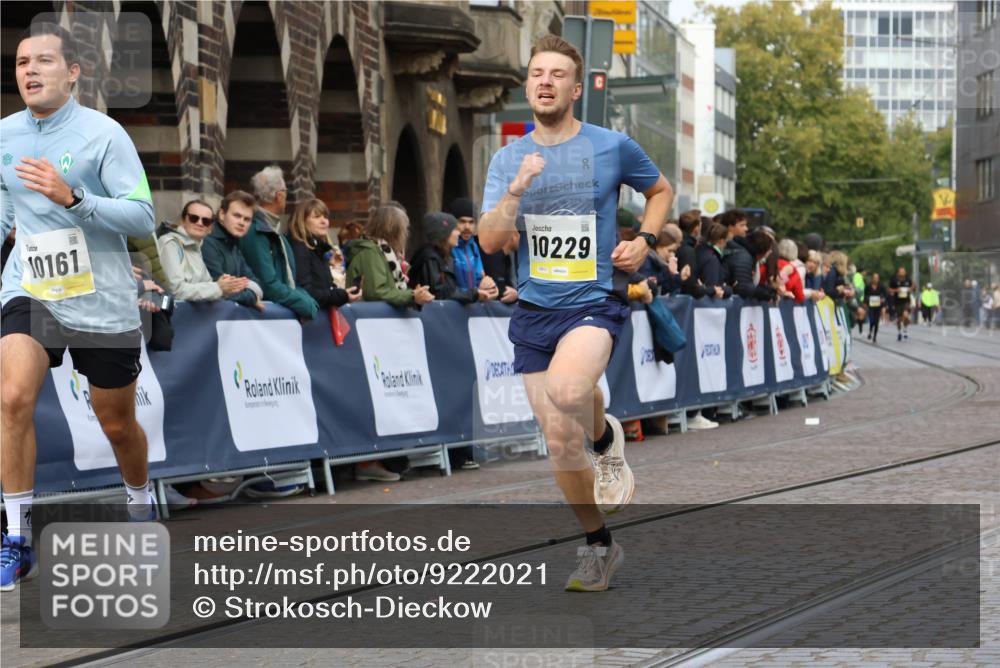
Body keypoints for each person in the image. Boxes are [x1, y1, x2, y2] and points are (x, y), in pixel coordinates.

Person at [477, 35, 674, 592]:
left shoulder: (612, 146)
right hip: (534, 308)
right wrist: (515, 192)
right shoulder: (508, 158)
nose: (545, 81)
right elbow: (490, 240)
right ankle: (598, 545)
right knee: (561, 444)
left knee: (568, 391)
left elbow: (661, 191)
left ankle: (606, 440)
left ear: (576, 88)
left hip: (594, 299)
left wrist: (645, 240)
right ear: (527, 86)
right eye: (537, 73)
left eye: (557, 74)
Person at [1, 24, 158, 589]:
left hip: (102, 301)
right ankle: (16, 537)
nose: (30, 70)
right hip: (32, 289)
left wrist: (73, 197)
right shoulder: (4, 135)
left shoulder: (104, 135)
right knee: (12, 397)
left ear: (73, 72)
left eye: (44, 60)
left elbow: (142, 217)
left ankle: (140, 504)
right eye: (22, 62)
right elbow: (4, 211)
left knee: (116, 423)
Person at [239, 165, 318, 319]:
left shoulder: (272, 229)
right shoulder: (257, 230)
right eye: (286, 192)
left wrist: (307, 301)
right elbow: (268, 283)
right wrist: (305, 305)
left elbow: (289, 281)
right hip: (265, 319)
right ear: (279, 195)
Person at [346, 202, 435, 309]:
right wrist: (411, 296)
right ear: (393, 230)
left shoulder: (382, 251)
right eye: (404, 229)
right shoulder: (371, 252)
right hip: (369, 316)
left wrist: (416, 294)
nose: (406, 234)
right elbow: (376, 292)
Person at [159, 200, 249, 302]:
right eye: (194, 218)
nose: (200, 223)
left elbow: (207, 285)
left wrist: (227, 287)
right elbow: (175, 290)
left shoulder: (197, 246)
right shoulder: (170, 244)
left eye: (206, 221)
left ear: (210, 227)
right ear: (183, 220)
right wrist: (218, 287)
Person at [286, 198, 362, 309]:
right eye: (317, 217)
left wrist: (336, 269)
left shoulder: (318, 249)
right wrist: (341, 296)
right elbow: (305, 291)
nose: (324, 221)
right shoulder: (300, 247)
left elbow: (325, 288)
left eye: (325, 217)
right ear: (302, 221)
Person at [409, 212, 497, 305]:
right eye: (455, 229)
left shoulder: (444, 256)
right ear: (444, 234)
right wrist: (474, 294)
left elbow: (449, 289)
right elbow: (440, 294)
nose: (458, 233)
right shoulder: (430, 258)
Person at [202, 190, 266, 311]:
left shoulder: (234, 246)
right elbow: (220, 290)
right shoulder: (207, 243)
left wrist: (247, 292)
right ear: (222, 214)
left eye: (247, 219)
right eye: (237, 216)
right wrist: (251, 298)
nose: (242, 223)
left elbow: (257, 284)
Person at [449, 196, 496, 297]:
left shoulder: (473, 246)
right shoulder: (448, 247)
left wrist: (490, 288)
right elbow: (447, 289)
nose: (467, 227)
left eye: (471, 222)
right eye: (462, 221)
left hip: (472, 302)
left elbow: (479, 279)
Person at [696, 222, 732, 299]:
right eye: (726, 241)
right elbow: (713, 287)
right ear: (722, 241)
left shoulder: (699, 251)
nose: (726, 245)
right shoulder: (712, 259)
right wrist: (727, 289)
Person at [888, 266, 913, 341]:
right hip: (897, 302)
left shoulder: (908, 280)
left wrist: (910, 289)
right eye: (901, 272)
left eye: (904, 271)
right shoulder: (894, 280)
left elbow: (913, 287)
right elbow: (889, 290)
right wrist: (896, 290)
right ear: (898, 273)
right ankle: (899, 332)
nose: (902, 273)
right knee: (899, 319)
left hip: (906, 301)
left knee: (905, 315)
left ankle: (905, 329)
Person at [865, 273, 888, 343]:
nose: (875, 279)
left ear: (878, 279)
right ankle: (870, 331)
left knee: (876, 321)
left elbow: (885, 295)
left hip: (878, 306)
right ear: (872, 279)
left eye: (877, 278)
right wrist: (867, 300)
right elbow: (865, 295)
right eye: (874, 278)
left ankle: (874, 336)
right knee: (872, 319)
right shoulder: (868, 286)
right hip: (871, 305)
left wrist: (883, 299)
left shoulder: (881, 287)